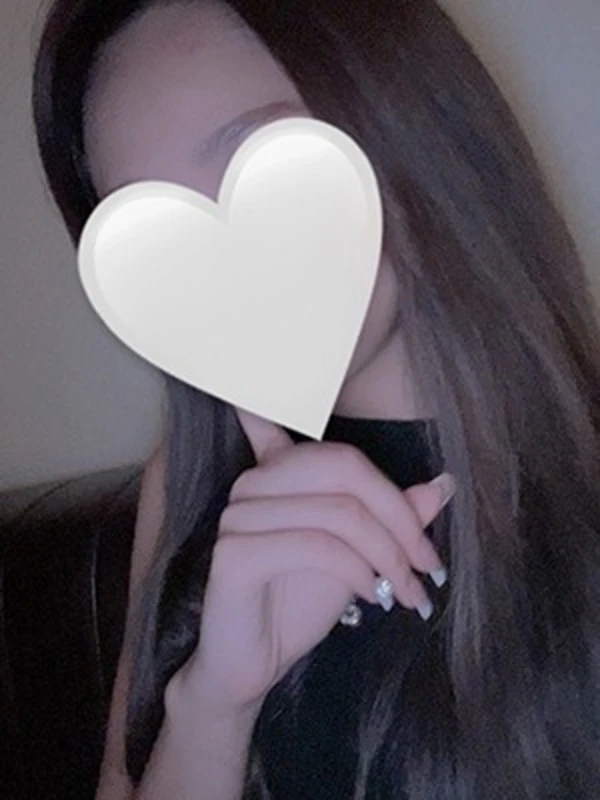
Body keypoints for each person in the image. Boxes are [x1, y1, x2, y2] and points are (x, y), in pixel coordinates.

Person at [31, 0, 600, 798]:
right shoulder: (191, 481)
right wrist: (212, 706)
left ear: (413, 121)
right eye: (162, 231)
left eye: (264, 163)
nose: (226, 266)